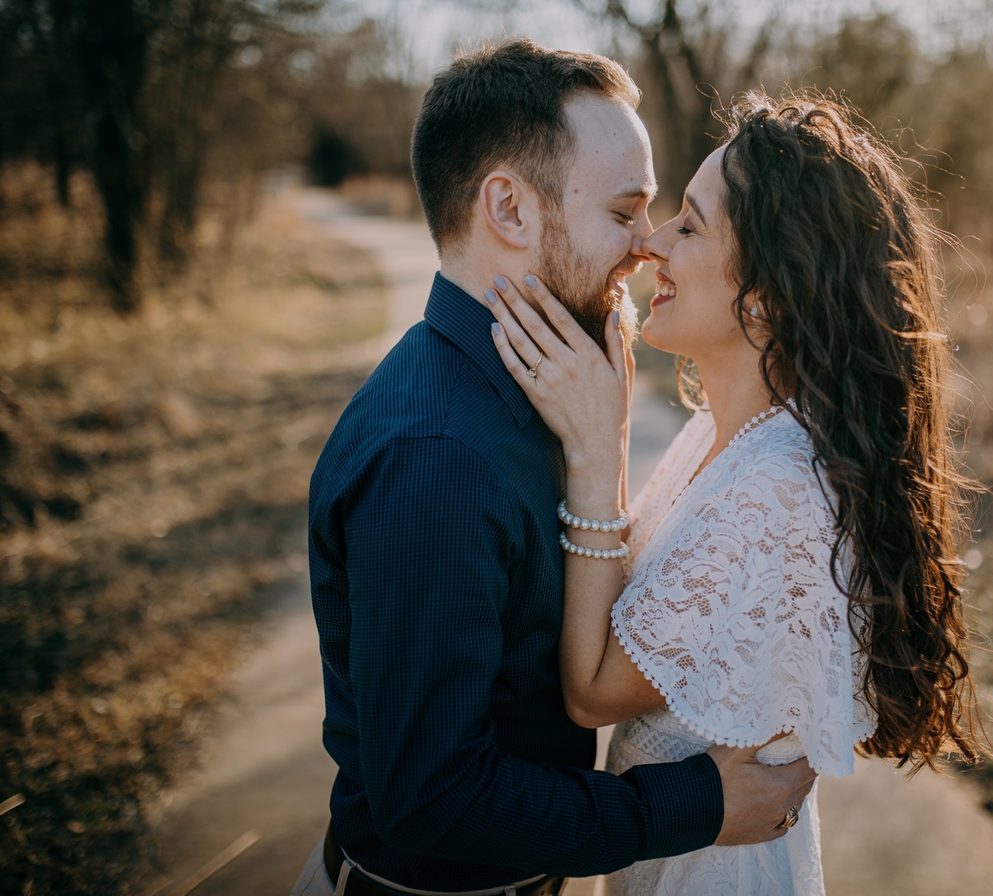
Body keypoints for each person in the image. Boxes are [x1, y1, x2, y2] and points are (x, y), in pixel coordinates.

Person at [291, 42, 817, 896]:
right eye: (624, 211)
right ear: (509, 207)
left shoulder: (546, 389)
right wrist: (696, 804)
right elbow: (431, 800)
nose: (647, 248)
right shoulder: (436, 460)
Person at [481, 91, 984, 895]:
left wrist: (594, 449)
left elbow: (593, 689)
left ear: (767, 296)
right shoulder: (724, 436)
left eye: (689, 225)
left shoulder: (776, 488)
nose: (650, 245)